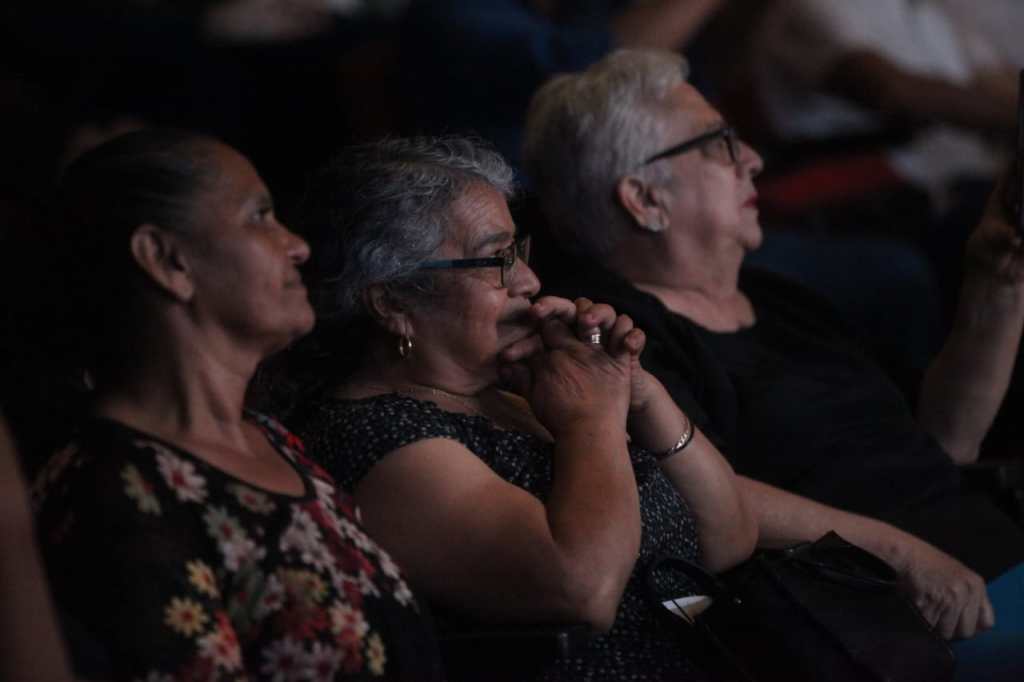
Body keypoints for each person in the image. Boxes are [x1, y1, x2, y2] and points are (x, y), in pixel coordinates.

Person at [522, 49, 1024, 681]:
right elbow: (705, 497)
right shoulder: (621, 339)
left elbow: (946, 443)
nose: (754, 160)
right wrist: (900, 554)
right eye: (722, 145)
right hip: (898, 620)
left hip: (987, 558)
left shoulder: (786, 300)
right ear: (645, 198)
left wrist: (997, 284)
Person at [290, 135, 758, 681]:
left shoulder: (520, 391)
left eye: (520, 252)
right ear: (393, 302)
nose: (530, 282)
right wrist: (594, 419)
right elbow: (582, 589)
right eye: (497, 259)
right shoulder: (378, 441)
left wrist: (638, 392)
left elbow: (729, 538)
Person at [31, 129, 442, 681]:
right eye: (260, 216)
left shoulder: (274, 440)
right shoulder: (113, 490)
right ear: (166, 259)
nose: (297, 245)